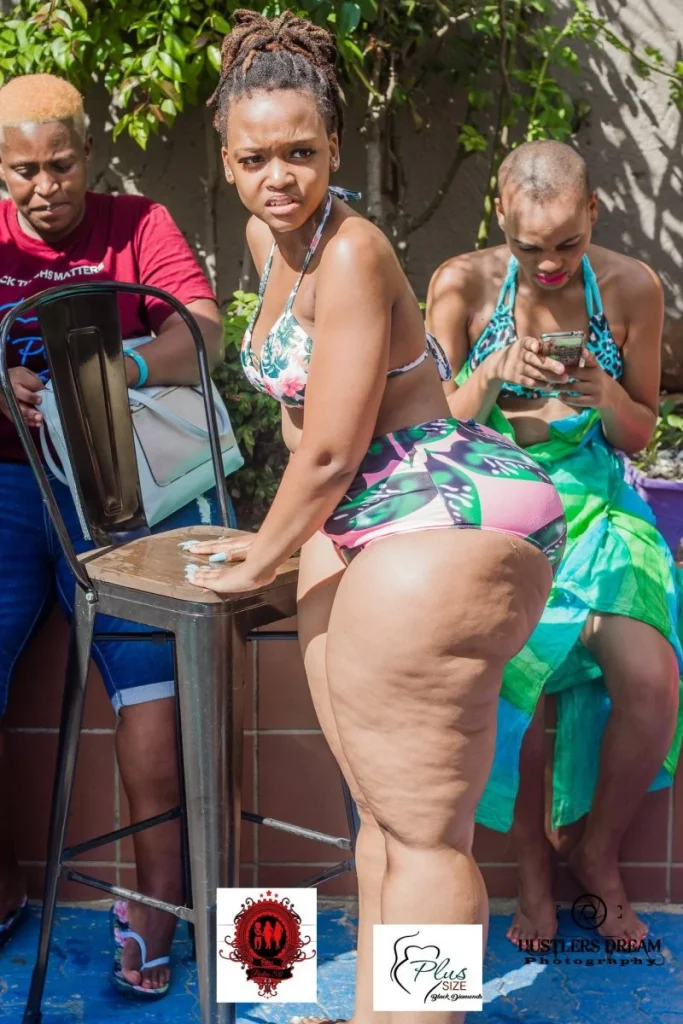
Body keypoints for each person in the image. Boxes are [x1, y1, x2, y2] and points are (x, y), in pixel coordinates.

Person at [187, 12, 566, 1023]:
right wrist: (277, 535)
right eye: (255, 159)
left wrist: (255, 560)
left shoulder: (352, 253)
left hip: (437, 511)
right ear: (225, 161)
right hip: (366, 513)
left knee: (425, 833)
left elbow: (326, 448)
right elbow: (311, 431)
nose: (279, 177)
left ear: (334, 148)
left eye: (300, 153)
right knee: (386, 816)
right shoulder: (273, 245)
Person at [0, 74, 231, 997]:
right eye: (23, 171)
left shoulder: (137, 225)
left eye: (61, 164)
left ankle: (157, 903)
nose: (44, 186)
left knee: (152, 689)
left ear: (88, 154)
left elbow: (203, 334)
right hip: (9, 485)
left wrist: (107, 368)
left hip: (119, 487)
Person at [426, 139, 682, 948]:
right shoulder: (460, 285)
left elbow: (637, 434)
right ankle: (532, 877)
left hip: (600, 511)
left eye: (567, 244)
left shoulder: (630, 287)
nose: (546, 265)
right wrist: (490, 371)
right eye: (527, 246)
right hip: (495, 508)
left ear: (594, 213)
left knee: (651, 680)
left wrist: (604, 394)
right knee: (519, 681)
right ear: (499, 215)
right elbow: (434, 428)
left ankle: (596, 851)